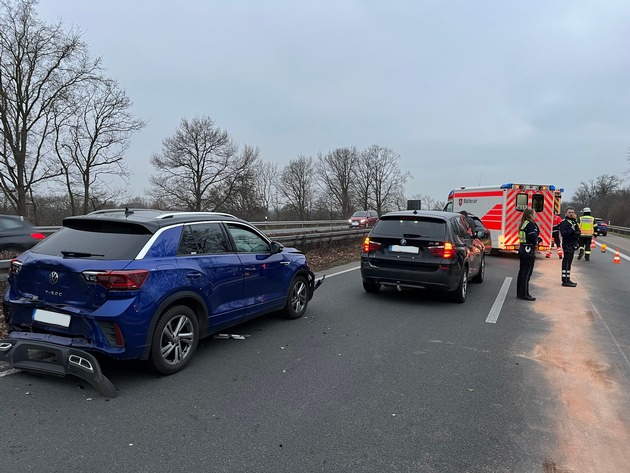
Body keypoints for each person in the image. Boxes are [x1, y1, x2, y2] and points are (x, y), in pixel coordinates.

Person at [516, 208, 540, 301]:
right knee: (527, 272)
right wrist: (537, 240)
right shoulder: (530, 224)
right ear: (530, 215)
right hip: (528, 249)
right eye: (534, 213)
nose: (535, 215)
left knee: (522, 271)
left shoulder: (524, 223)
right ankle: (525, 294)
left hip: (523, 248)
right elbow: (532, 235)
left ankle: (520, 293)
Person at [558, 206, 580, 287]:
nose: (571, 214)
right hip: (567, 244)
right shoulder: (564, 223)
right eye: (569, 212)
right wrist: (572, 229)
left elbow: (578, 231)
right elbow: (564, 234)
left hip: (573, 243)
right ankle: (564, 280)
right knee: (566, 261)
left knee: (569, 262)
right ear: (566, 213)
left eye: (572, 212)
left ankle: (568, 278)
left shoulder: (574, 222)